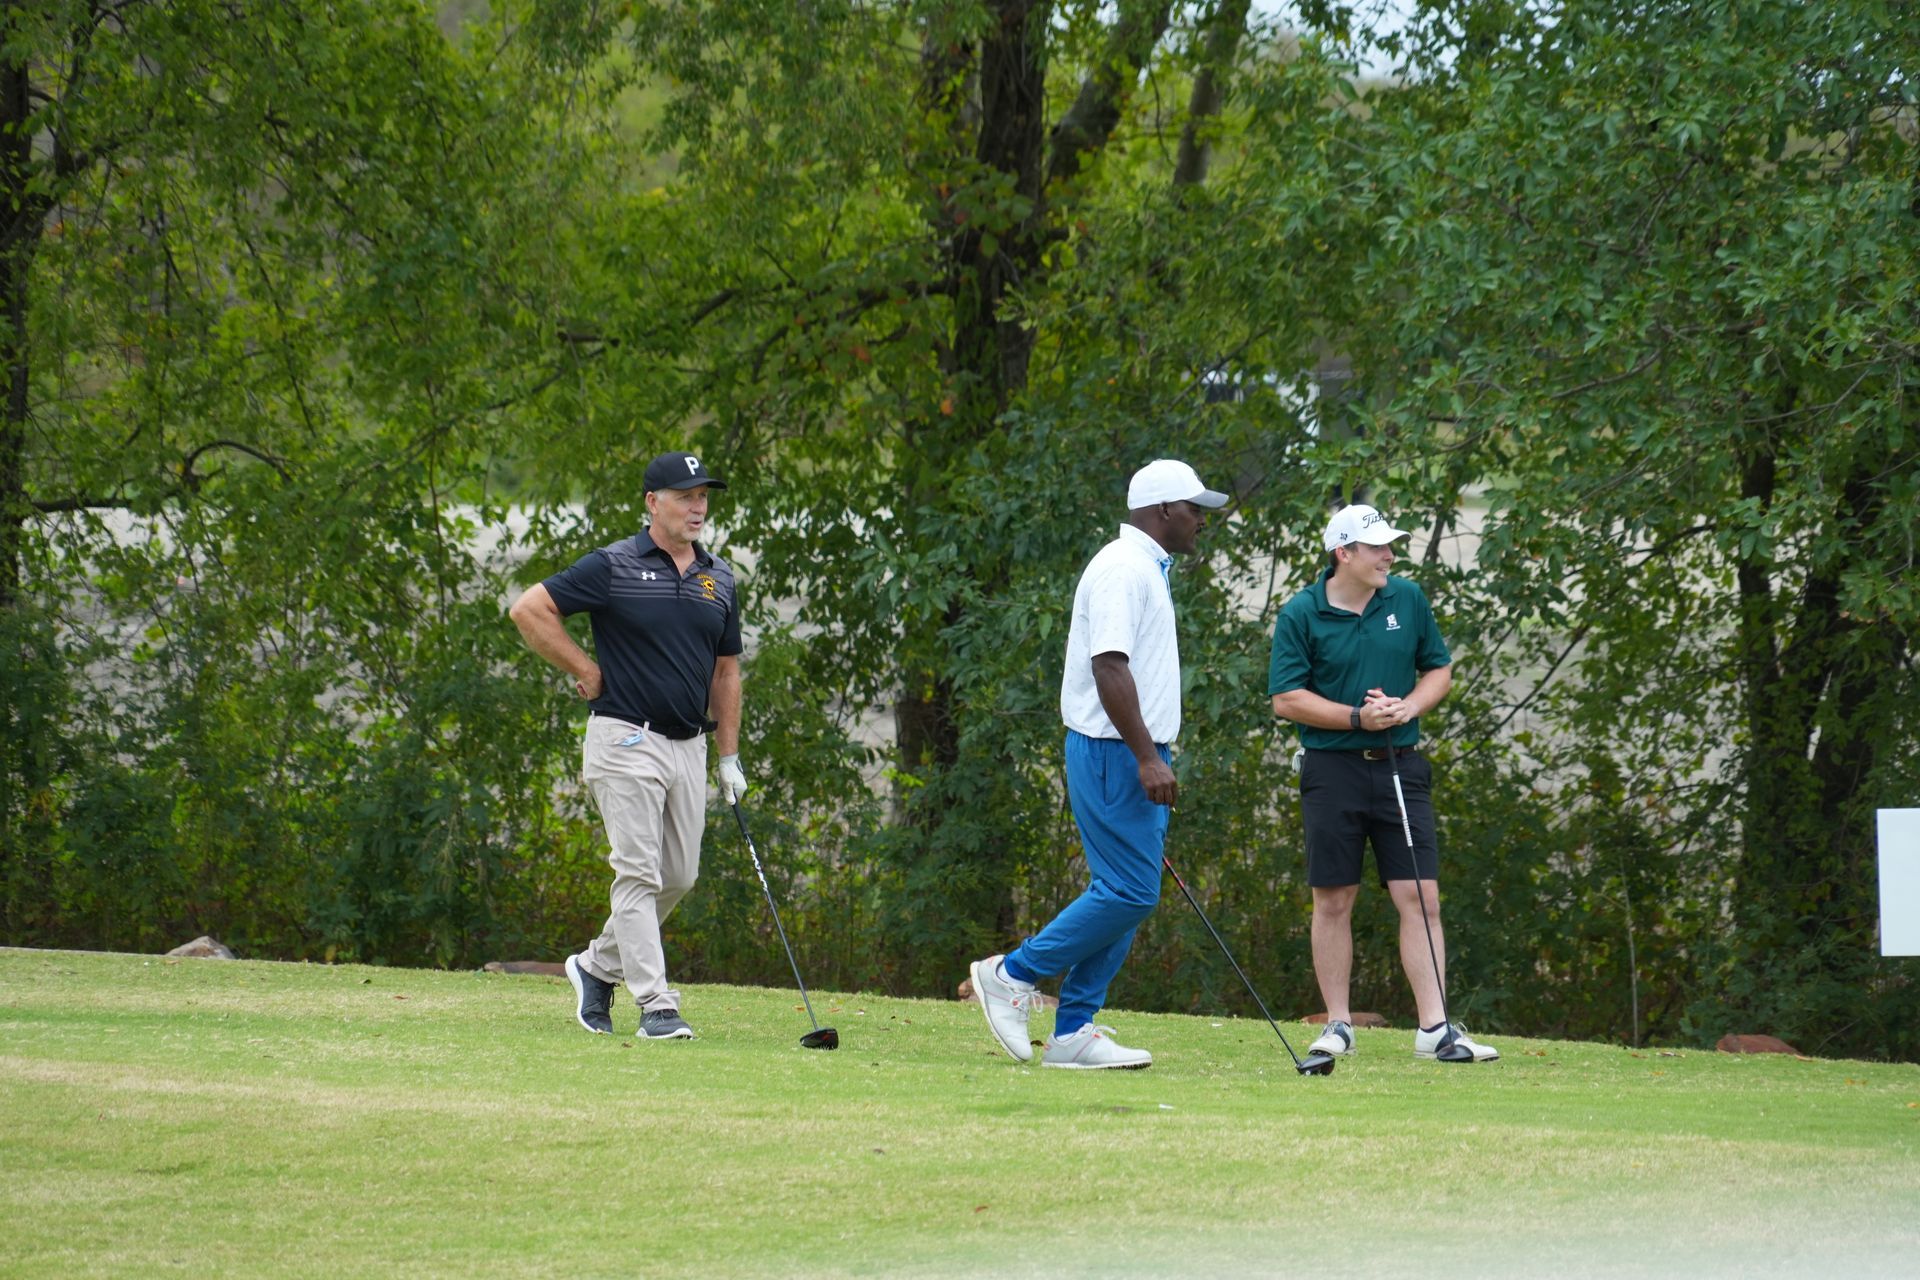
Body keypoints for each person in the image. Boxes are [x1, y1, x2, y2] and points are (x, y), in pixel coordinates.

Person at [969, 459, 1228, 1070]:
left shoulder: (1145, 567)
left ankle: (1073, 1033)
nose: (1201, 521)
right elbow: (1107, 667)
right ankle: (1012, 973)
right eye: (1195, 509)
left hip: (1132, 751)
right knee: (1130, 891)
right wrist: (1145, 756)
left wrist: (1153, 752)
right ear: (1164, 511)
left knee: (1125, 890)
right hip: (1116, 751)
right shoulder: (1121, 570)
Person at [507, 450, 748, 1042]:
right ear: (652, 503)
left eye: (703, 496)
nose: (698, 507)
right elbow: (529, 609)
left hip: (688, 745)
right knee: (637, 872)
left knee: (679, 875)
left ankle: (595, 967)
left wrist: (729, 756)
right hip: (625, 735)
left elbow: (726, 672)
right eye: (685, 496)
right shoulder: (612, 565)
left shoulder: (720, 579)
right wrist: (585, 669)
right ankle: (657, 1005)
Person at [1267, 503, 1498, 1062]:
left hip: (1400, 764)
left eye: (1390, 546)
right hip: (1332, 770)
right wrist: (1356, 718)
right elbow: (1286, 699)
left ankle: (1434, 1030)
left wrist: (1406, 708)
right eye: (1377, 547)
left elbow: (1437, 669)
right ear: (1343, 553)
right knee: (1333, 899)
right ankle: (1339, 1024)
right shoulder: (1302, 613)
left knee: (1421, 896)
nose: (1389, 555)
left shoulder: (1407, 599)